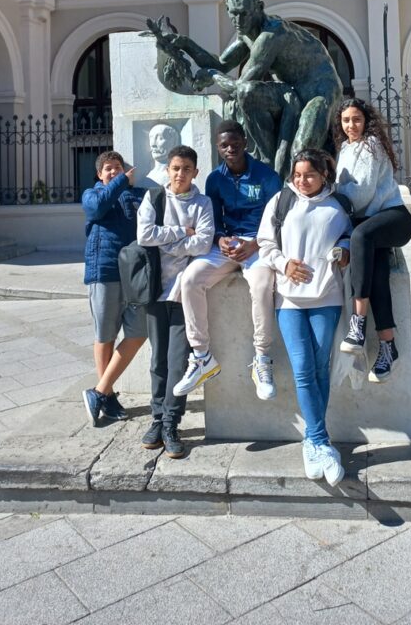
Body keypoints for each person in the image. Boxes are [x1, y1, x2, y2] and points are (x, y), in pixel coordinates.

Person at [154, 0, 342, 177]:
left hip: (319, 93)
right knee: (251, 98)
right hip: (292, 92)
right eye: (233, 13)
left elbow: (241, 86)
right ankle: (267, 164)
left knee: (300, 152)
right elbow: (221, 64)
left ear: (259, 8)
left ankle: (275, 171)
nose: (238, 20)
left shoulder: (272, 34)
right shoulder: (247, 33)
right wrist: (186, 44)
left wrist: (212, 76)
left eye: (244, 13)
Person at [257, 148, 352, 485]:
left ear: (324, 175)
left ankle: (312, 441)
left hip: (328, 296)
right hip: (289, 299)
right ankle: (321, 441)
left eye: (309, 175)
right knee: (302, 369)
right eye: (297, 175)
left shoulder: (339, 205)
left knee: (320, 367)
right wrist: (284, 264)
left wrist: (345, 249)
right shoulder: (281, 201)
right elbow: (265, 243)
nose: (302, 181)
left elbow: (350, 236)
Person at [173, 121, 281, 400]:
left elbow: (278, 220)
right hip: (226, 245)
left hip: (258, 244)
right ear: (217, 148)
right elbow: (214, 220)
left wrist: (255, 243)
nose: (230, 149)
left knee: (262, 286)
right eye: (224, 145)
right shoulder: (214, 179)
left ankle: (262, 358)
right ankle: (201, 356)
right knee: (190, 279)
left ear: (245, 143)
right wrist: (220, 238)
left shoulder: (267, 176)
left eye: (235, 143)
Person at [137, 144, 215, 458]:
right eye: (175, 168)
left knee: (178, 360)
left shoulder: (203, 203)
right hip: (155, 289)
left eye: (186, 169)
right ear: (167, 170)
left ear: (195, 172)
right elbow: (144, 235)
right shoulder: (154, 198)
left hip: (184, 294)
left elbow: (204, 243)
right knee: (158, 360)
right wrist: (182, 232)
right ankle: (156, 419)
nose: (180, 174)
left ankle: (171, 422)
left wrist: (167, 242)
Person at [333, 98, 411, 382]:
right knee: (377, 272)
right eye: (346, 120)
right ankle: (388, 347)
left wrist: (332, 194)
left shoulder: (371, 145)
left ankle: (358, 323)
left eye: (356, 119)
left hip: (394, 217)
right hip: (370, 225)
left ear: (366, 120)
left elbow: (361, 195)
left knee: (361, 235)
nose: (351, 125)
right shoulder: (345, 149)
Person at [81, 151, 146, 424]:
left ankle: (100, 391)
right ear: (99, 174)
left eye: (117, 167)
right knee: (105, 335)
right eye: (108, 168)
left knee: (139, 331)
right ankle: (107, 396)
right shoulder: (91, 194)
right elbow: (97, 208)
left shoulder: (137, 195)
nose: (113, 172)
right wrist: (121, 181)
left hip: (132, 273)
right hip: (104, 271)